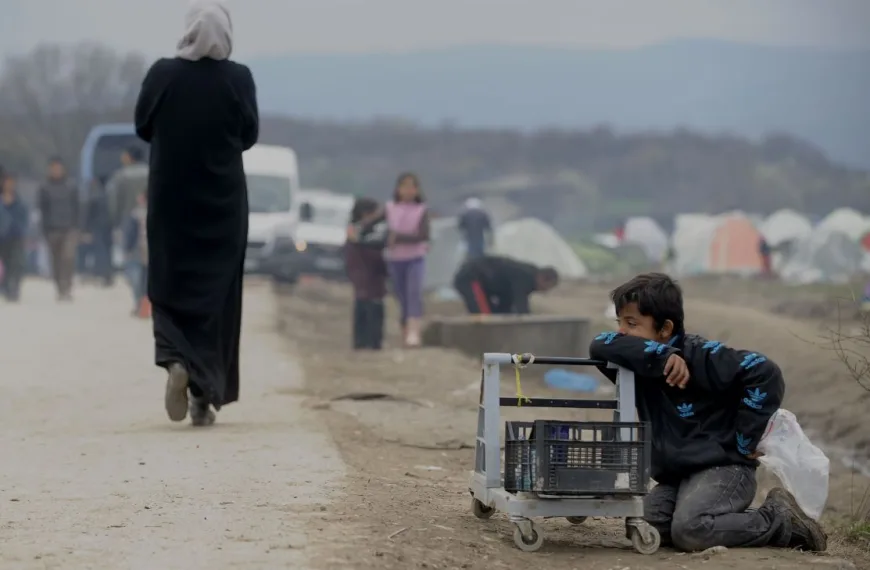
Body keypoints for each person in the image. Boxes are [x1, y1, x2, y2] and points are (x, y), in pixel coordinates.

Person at [588, 273, 826, 553]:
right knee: (645, 525)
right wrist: (661, 356)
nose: (621, 332)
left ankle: (780, 519)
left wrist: (745, 439)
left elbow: (765, 372)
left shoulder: (703, 356)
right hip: (677, 476)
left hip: (724, 467)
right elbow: (599, 344)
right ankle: (723, 518)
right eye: (620, 322)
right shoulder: (635, 365)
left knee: (691, 531)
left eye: (631, 323)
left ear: (665, 329)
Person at [135, 0, 258, 427]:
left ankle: (174, 359)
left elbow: (142, 126)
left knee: (169, 284)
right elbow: (249, 134)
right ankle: (205, 393)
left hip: (171, 202)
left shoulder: (163, 74)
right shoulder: (238, 78)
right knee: (219, 296)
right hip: (223, 206)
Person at [383, 172, 429, 347]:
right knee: (401, 295)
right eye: (405, 186)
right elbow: (380, 228)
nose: (408, 191)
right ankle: (405, 330)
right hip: (395, 259)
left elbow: (423, 235)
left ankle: (413, 331)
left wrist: (398, 238)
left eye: (412, 187)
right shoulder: (389, 208)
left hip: (415, 257)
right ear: (398, 189)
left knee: (413, 293)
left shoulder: (421, 210)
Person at [345, 197, 388, 350]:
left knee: (364, 305)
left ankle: (363, 342)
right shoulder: (360, 229)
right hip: (369, 274)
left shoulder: (358, 228)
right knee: (370, 307)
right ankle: (369, 342)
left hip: (365, 275)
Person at [453, 254, 558, 315]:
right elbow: (521, 305)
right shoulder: (525, 277)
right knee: (483, 315)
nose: (544, 291)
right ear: (542, 278)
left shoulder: (527, 276)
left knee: (495, 314)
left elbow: (507, 301)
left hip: (485, 282)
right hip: (472, 277)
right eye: (546, 287)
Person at [38, 157, 79, 301]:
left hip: (69, 229)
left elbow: (77, 207)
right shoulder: (44, 187)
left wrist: (78, 227)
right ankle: (59, 288)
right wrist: (43, 230)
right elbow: (42, 210)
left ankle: (67, 287)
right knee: (55, 261)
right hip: (52, 229)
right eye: (53, 168)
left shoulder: (71, 186)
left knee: (68, 258)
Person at [0, 171, 29, 302]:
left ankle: (14, 288)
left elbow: (24, 218)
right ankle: (5, 287)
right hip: (1, 237)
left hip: (16, 237)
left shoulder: (19, 201)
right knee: (4, 265)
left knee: (16, 263)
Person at [107, 146, 149, 230]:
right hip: (147, 218)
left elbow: (114, 201)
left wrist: (114, 221)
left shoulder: (120, 176)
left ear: (130, 157)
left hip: (127, 219)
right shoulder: (150, 172)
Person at [121, 190, 148, 316]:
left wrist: (127, 249)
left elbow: (130, 235)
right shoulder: (137, 214)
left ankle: (140, 305)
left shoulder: (135, 214)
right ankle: (143, 305)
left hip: (139, 252)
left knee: (138, 281)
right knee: (145, 282)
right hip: (147, 253)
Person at [83, 178, 114, 286]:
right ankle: (108, 275)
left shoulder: (93, 197)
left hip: (97, 227)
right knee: (108, 251)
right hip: (109, 227)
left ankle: (101, 273)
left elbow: (88, 215)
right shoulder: (110, 197)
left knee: (100, 251)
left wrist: (86, 230)